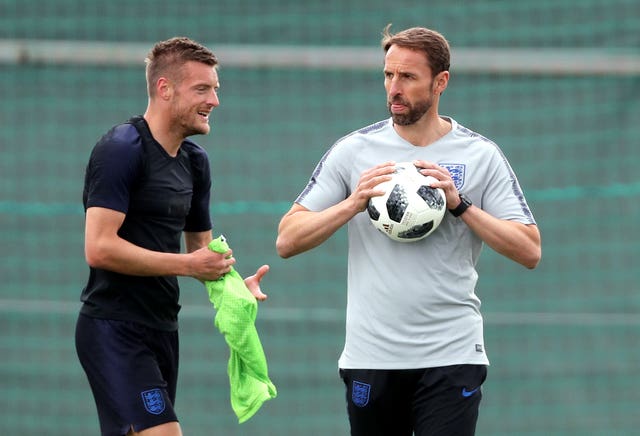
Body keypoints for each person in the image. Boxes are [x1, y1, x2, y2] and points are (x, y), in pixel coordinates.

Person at [276, 25, 541, 436]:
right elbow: (287, 239)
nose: (394, 88)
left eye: (408, 77)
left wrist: (460, 205)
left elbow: (529, 250)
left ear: (441, 83)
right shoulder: (354, 152)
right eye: (388, 75)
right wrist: (353, 203)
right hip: (372, 356)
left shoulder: (480, 155)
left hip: (452, 354)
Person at [75, 36, 269, 436]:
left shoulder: (195, 162)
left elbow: (202, 251)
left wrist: (232, 286)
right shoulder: (121, 148)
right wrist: (188, 265)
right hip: (112, 327)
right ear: (165, 89)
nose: (214, 100)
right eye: (203, 89)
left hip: (163, 329)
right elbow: (99, 248)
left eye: (215, 89)